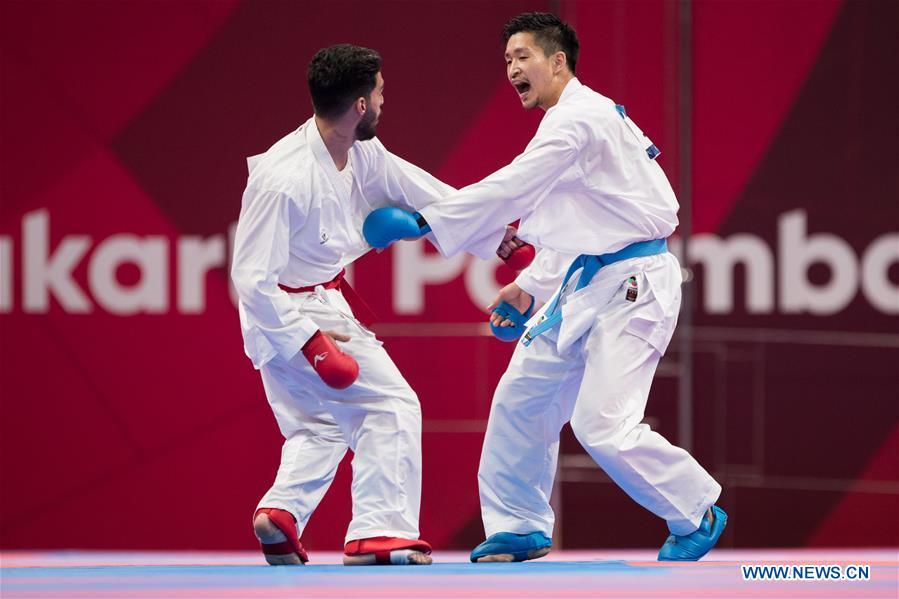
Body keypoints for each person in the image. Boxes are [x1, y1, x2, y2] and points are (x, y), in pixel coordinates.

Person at [363, 12, 726, 563]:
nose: (512, 69)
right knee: (520, 399)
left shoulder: (577, 120)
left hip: (635, 287)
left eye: (523, 57)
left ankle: (695, 509)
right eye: (507, 60)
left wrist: (429, 222)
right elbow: (577, 216)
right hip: (587, 280)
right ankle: (519, 525)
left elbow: (516, 186)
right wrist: (529, 286)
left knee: (601, 424)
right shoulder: (571, 121)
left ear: (558, 62)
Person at [230, 44, 456, 566]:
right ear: (360, 103)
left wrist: (496, 233)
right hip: (290, 314)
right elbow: (251, 279)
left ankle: (281, 515)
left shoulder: (360, 150)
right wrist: (311, 345)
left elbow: (421, 189)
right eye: (379, 93)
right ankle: (379, 532)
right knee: (391, 405)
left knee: (319, 427)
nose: (383, 102)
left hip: (316, 303)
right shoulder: (282, 178)